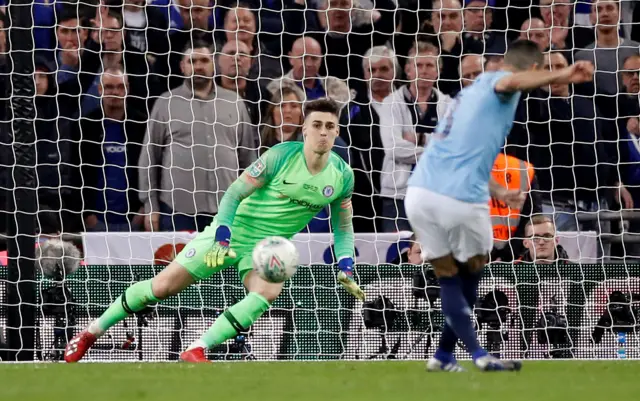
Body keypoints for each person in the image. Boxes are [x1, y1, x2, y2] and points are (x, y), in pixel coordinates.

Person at [64, 98, 365, 363]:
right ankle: (91, 333)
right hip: (230, 231)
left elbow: (343, 227)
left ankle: (196, 348)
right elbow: (234, 193)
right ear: (305, 129)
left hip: (265, 250)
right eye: (317, 125)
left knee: (269, 290)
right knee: (163, 288)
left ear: (337, 131)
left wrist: (346, 266)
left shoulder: (342, 175)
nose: (323, 131)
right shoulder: (281, 156)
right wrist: (222, 236)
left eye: (329, 126)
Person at [404, 39, 594, 372]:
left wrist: (500, 192)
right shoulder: (497, 82)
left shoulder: (468, 95)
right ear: (534, 69)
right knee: (474, 271)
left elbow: (463, 153)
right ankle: (479, 354)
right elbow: (511, 80)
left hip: (420, 194)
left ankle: (443, 356)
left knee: (450, 276)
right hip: (458, 198)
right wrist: (563, 73)